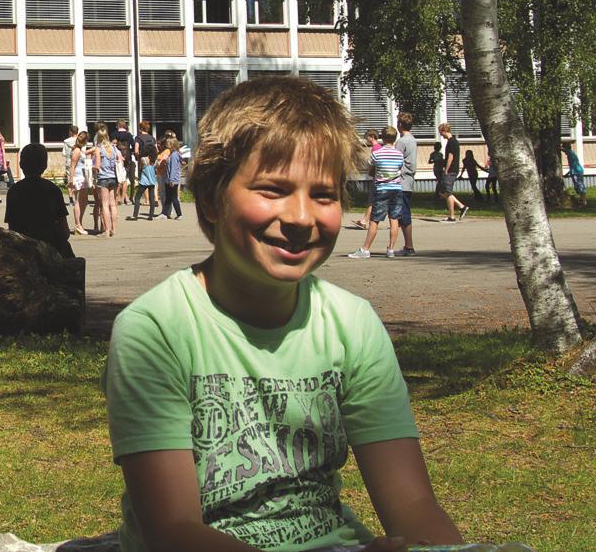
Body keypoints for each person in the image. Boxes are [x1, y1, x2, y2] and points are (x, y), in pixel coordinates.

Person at [104, 75, 464, 552]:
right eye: (272, 189)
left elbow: (414, 504)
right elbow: (173, 531)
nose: (300, 217)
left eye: (323, 194)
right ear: (210, 199)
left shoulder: (351, 324)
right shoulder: (156, 331)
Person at [4, 143, 75, 259]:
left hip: (23, 252)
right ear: (45, 165)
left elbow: (12, 229)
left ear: (21, 164)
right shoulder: (53, 191)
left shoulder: (14, 191)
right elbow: (64, 232)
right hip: (50, 250)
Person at [348, 126, 406, 258]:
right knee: (394, 219)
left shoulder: (377, 153)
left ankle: (365, 249)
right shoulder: (399, 154)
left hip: (382, 188)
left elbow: (371, 166)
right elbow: (399, 167)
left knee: (375, 220)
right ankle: (391, 249)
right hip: (397, 188)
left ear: (383, 138)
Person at [394, 112, 420, 256]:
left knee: (403, 213)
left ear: (400, 125)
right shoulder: (413, 140)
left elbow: (396, 161)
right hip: (409, 179)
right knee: (404, 211)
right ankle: (407, 245)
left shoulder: (402, 141)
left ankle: (409, 246)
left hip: (402, 180)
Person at [95, 125, 121, 238]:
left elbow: (97, 165)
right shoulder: (114, 148)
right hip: (113, 178)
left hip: (103, 178)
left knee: (105, 205)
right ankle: (114, 229)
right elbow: (120, 160)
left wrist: (91, 169)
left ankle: (106, 231)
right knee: (113, 205)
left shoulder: (98, 148)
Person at [432, 141, 468, 221]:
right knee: (442, 192)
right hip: (450, 171)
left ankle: (452, 216)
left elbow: (450, 156)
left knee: (446, 192)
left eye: (441, 132)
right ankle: (461, 207)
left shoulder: (451, 143)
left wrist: (446, 170)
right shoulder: (453, 142)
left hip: (450, 171)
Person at [70, 131, 94, 235]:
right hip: (78, 178)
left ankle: (80, 223)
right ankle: (78, 225)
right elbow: (72, 166)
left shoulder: (80, 150)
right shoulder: (76, 150)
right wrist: (71, 180)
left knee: (84, 201)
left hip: (82, 177)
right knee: (79, 201)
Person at [158, 138, 184, 221]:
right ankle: (164, 213)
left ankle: (179, 214)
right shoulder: (172, 154)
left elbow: (173, 169)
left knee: (173, 197)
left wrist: (171, 180)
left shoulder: (174, 155)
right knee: (168, 197)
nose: (167, 145)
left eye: (168, 143)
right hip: (169, 179)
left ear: (172, 145)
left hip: (172, 179)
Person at [133, 154, 158, 221]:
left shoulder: (143, 159)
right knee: (152, 198)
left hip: (144, 180)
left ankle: (135, 215)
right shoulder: (154, 159)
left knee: (137, 197)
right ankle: (150, 216)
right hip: (152, 180)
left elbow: (140, 167)